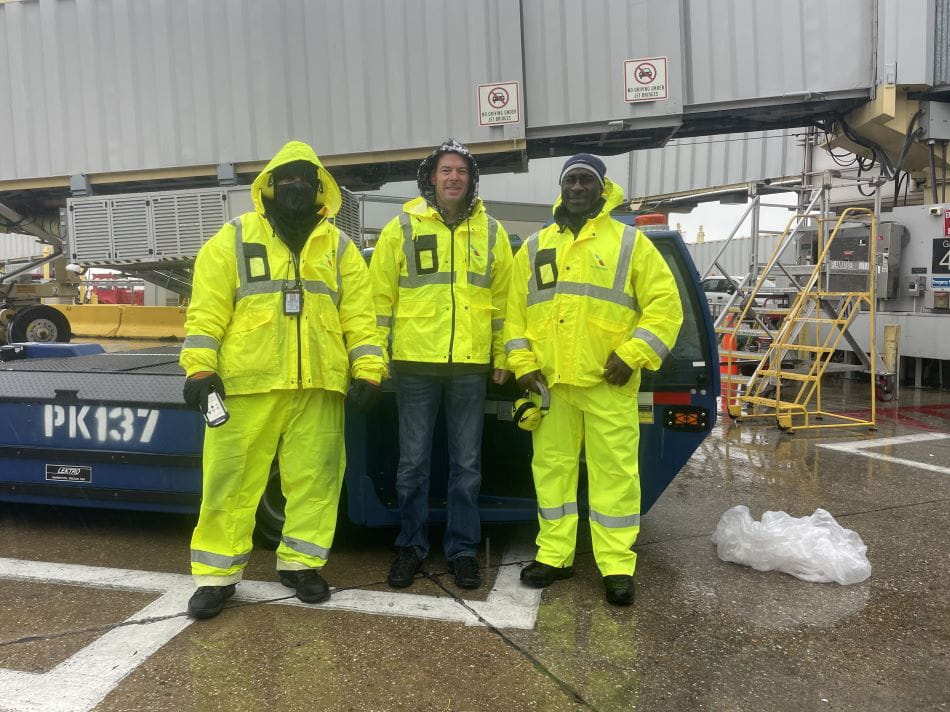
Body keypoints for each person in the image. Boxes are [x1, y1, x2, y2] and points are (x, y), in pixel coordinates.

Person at [180, 140, 385, 619]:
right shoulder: (232, 239)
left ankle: (301, 564)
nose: (297, 187)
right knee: (229, 481)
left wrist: (370, 370)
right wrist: (200, 368)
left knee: (316, 481)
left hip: (318, 386)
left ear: (320, 189)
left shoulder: (339, 247)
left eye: (306, 180)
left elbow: (361, 317)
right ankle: (216, 577)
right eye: (288, 178)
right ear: (269, 185)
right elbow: (206, 312)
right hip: (245, 384)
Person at [504, 153, 682, 606]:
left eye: (586, 180)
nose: (577, 187)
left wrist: (632, 353)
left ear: (603, 189)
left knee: (616, 477)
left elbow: (665, 307)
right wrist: (523, 364)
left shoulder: (630, 243)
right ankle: (555, 556)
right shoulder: (535, 246)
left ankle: (617, 567)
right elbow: (514, 315)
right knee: (552, 475)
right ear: (561, 188)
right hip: (552, 388)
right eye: (571, 180)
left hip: (608, 385)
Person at [369, 139, 513, 590]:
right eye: (446, 170)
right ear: (431, 177)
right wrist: (376, 356)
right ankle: (410, 546)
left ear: (472, 180)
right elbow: (379, 298)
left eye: (462, 172)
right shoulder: (402, 227)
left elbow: (507, 303)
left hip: (470, 365)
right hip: (414, 363)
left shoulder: (492, 232)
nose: (454, 178)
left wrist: (505, 354)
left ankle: (463, 550)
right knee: (412, 463)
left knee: (466, 466)